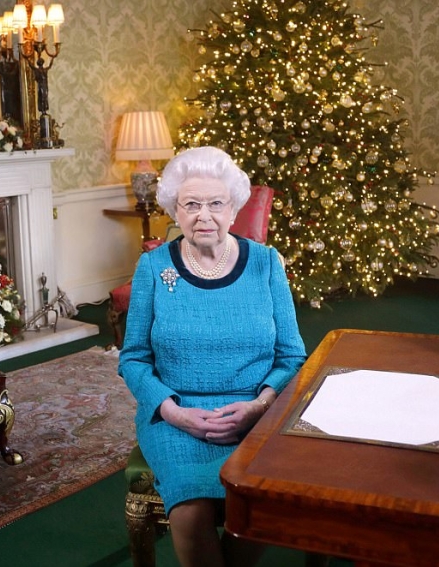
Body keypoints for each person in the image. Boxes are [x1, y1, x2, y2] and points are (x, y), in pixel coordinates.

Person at [119, 146, 307, 567]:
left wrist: (260, 407)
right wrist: (171, 412)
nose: (204, 216)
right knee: (191, 508)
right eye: (191, 205)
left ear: (234, 208)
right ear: (175, 209)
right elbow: (133, 358)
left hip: (256, 412)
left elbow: (293, 356)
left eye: (216, 204)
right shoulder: (152, 268)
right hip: (178, 416)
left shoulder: (266, 264)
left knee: (265, 498)